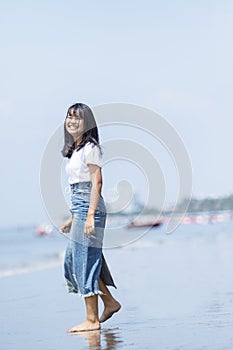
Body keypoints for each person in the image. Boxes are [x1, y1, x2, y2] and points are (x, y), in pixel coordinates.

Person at [59, 103, 121, 333]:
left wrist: (90, 216)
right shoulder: (74, 150)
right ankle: (110, 302)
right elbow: (78, 191)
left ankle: (92, 319)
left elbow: (97, 183)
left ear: (87, 123)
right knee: (75, 260)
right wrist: (72, 217)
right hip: (81, 207)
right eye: (69, 117)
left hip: (90, 208)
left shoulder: (90, 148)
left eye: (77, 117)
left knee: (83, 260)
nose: (72, 121)